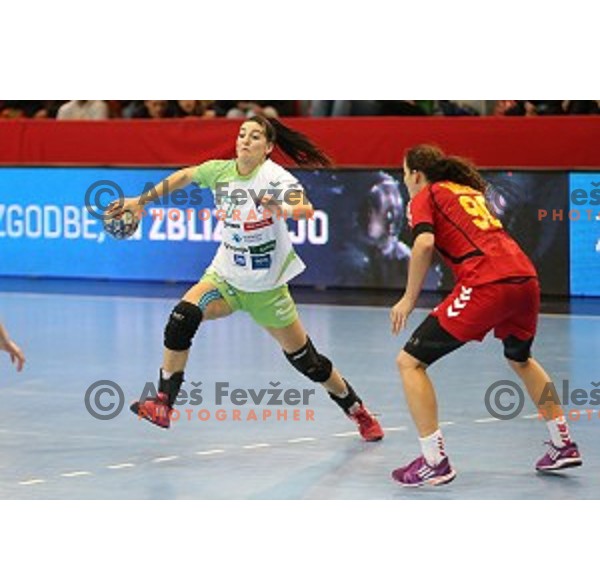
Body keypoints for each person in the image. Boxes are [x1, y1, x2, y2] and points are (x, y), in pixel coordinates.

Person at [107, 115, 384, 441]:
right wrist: (141, 201)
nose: (245, 140)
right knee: (183, 317)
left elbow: (305, 209)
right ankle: (164, 402)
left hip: (268, 290)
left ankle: (356, 409)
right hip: (225, 280)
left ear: (267, 147)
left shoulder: (274, 178)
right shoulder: (220, 172)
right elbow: (184, 176)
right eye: (242, 134)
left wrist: (280, 207)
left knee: (309, 363)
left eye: (254, 137)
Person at [389, 144, 581, 486]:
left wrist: (407, 298)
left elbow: (423, 244)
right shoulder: (465, 190)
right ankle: (562, 443)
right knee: (521, 359)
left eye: (404, 175)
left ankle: (434, 461)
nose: (405, 181)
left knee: (410, 362)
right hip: (524, 277)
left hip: (487, 281)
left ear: (416, 175)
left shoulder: (426, 195)